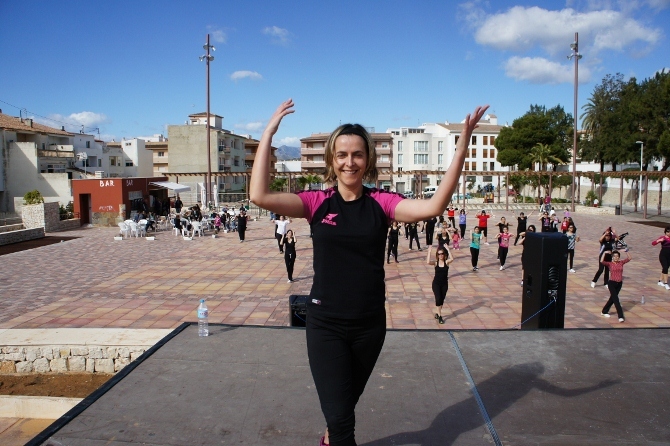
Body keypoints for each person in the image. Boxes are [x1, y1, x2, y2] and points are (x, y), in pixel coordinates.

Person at [249, 98, 488, 446]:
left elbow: (434, 206)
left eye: (357, 155)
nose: (350, 162)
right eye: (342, 155)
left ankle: (329, 438)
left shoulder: (382, 203)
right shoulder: (316, 202)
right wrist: (269, 133)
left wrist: (462, 145)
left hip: (369, 325)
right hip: (325, 323)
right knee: (343, 423)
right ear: (332, 160)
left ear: (368, 160)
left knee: (343, 409)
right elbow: (259, 195)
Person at [599, 250, 631, 322]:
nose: (616, 257)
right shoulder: (610, 264)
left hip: (619, 284)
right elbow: (602, 261)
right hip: (612, 283)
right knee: (616, 300)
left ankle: (604, 311)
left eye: (617, 256)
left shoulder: (621, 262)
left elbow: (629, 258)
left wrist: (626, 251)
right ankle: (620, 316)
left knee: (612, 299)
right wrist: (604, 253)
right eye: (614, 256)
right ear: (612, 257)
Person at [432, 245, 454, 325]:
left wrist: (448, 249)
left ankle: (437, 313)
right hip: (436, 284)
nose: (440, 255)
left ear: (444, 254)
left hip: (444, 284)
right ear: (437, 255)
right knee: (438, 298)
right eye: (439, 254)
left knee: (441, 300)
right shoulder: (435, 263)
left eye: (442, 254)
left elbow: (452, 259)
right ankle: (440, 316)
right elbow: (427, 262)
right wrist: (429, 251)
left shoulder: (446, 263)